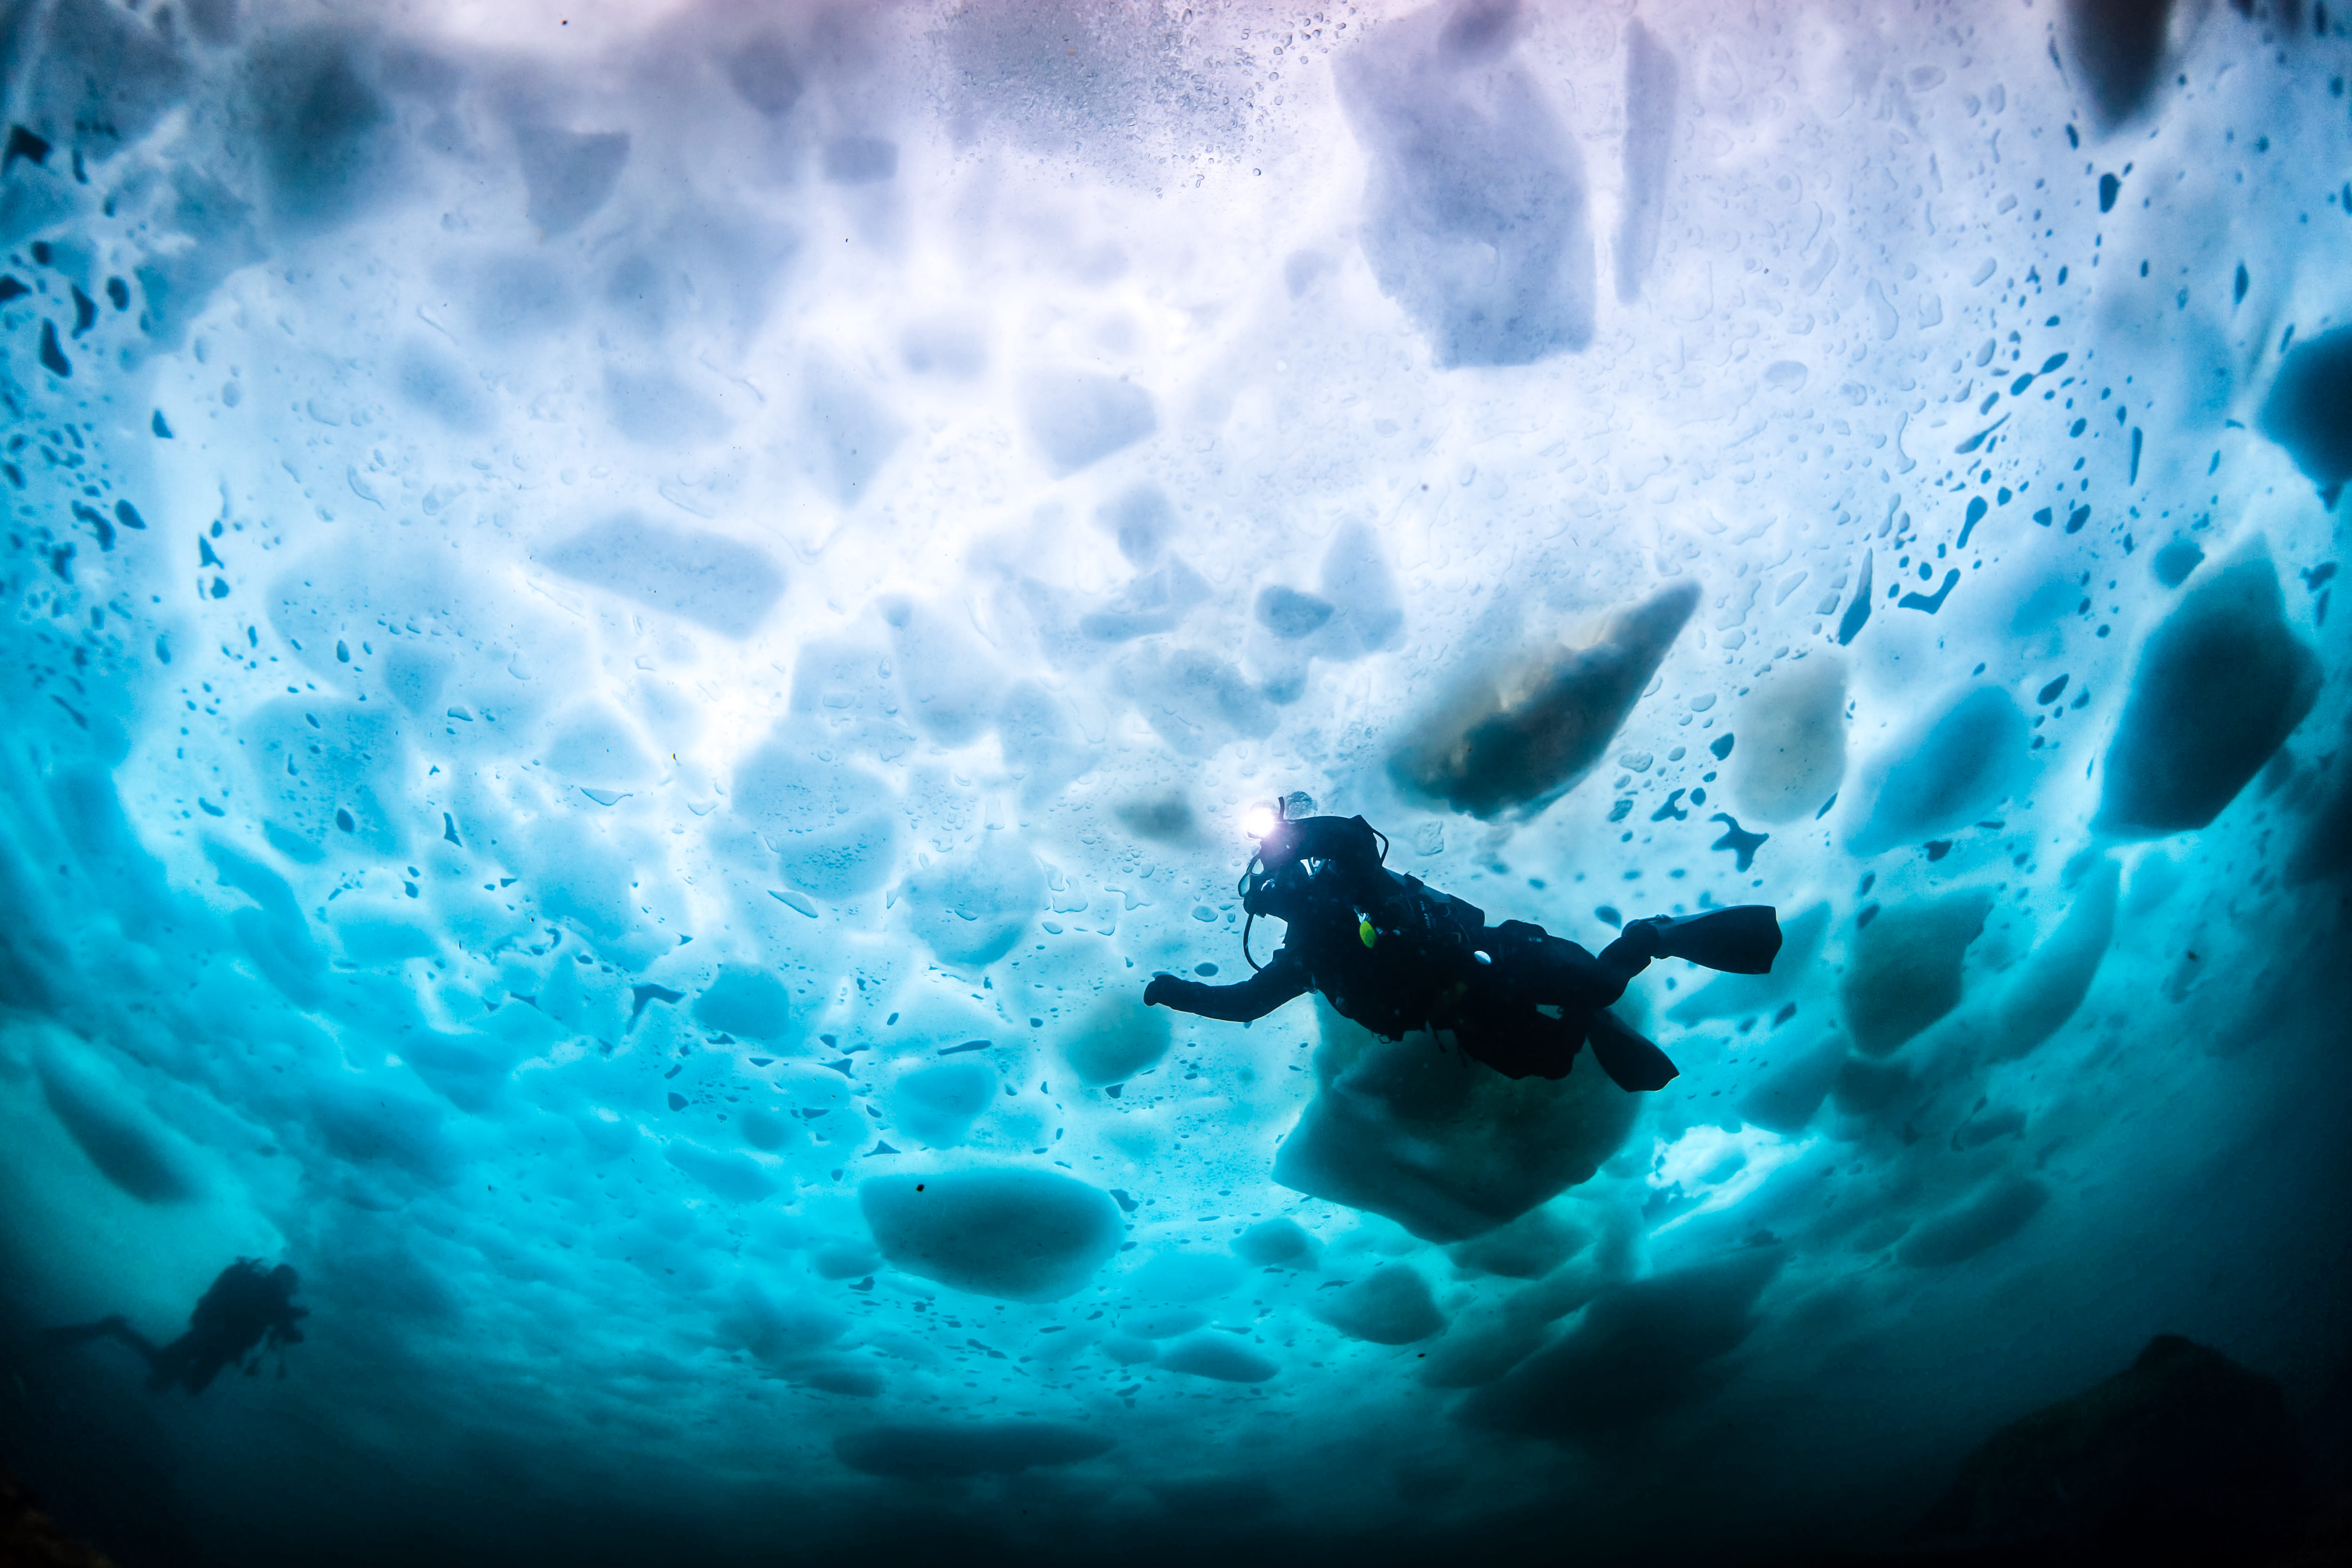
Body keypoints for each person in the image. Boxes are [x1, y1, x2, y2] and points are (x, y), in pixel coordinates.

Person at [1143, 802, 1782, 1091]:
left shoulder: (1354, 883)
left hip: (1495, 958)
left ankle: (1653, 935)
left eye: (1286, 879)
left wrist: (1292, 833)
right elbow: (1244, 1002)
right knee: (1556, 1062)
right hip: (1463, 1015)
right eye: (1273, 892)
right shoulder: (1304, 957)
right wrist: (1177, 993)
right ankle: (1592, 1019)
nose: (1286, 893)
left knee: (1601, 985)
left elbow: (1353, 841)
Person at [44, 1259, 307, 1394]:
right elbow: (282, 1326)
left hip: (217, 1342)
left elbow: (274, 1321)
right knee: (172, 1370)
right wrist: (291, 1324)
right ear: (283, 1281)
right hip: (213, 1338)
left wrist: (288, 1320)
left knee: (187, 1382)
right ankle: (115, 1328)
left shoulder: (267, 1294)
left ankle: (116, 1330)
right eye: (290, 1286)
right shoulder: (270, 1295)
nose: (290, 1291)